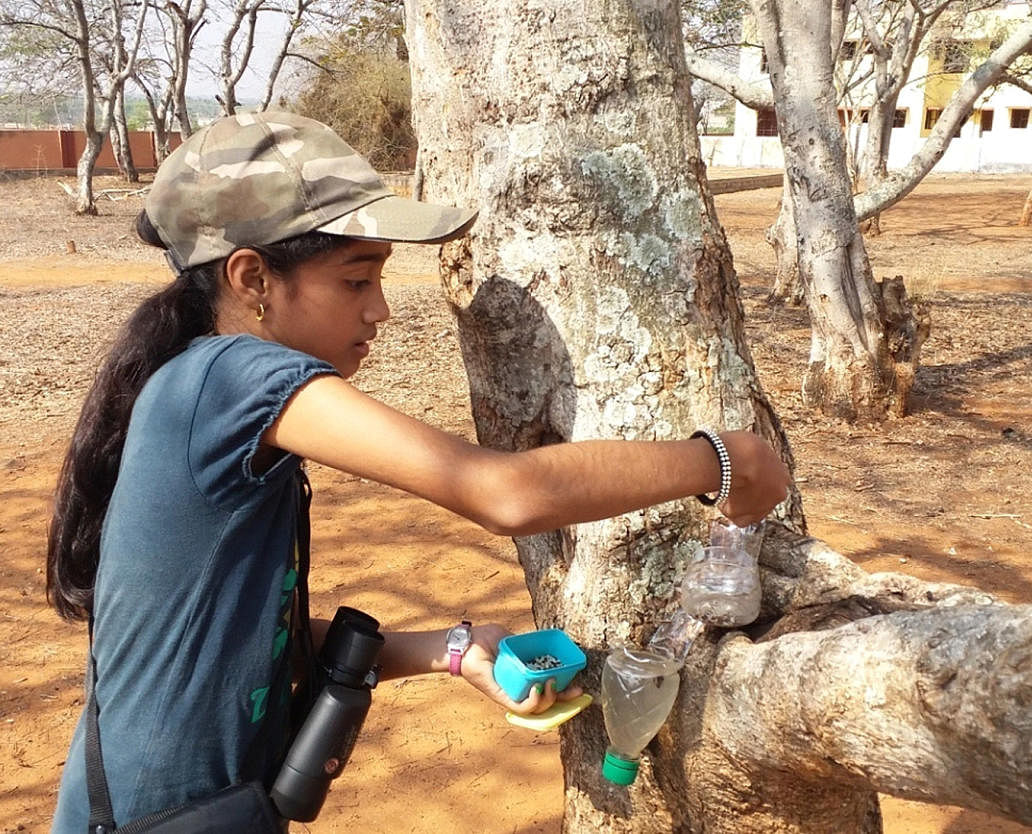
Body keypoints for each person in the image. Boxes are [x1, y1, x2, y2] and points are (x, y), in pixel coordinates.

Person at [46, 111, 791, 831]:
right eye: (355, 281)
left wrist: (453, 650)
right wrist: (722, 460)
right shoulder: (234, 377)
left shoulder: (206, 391)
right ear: (252, 278)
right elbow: (508, 492)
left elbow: (243, 641)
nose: (380, 313)